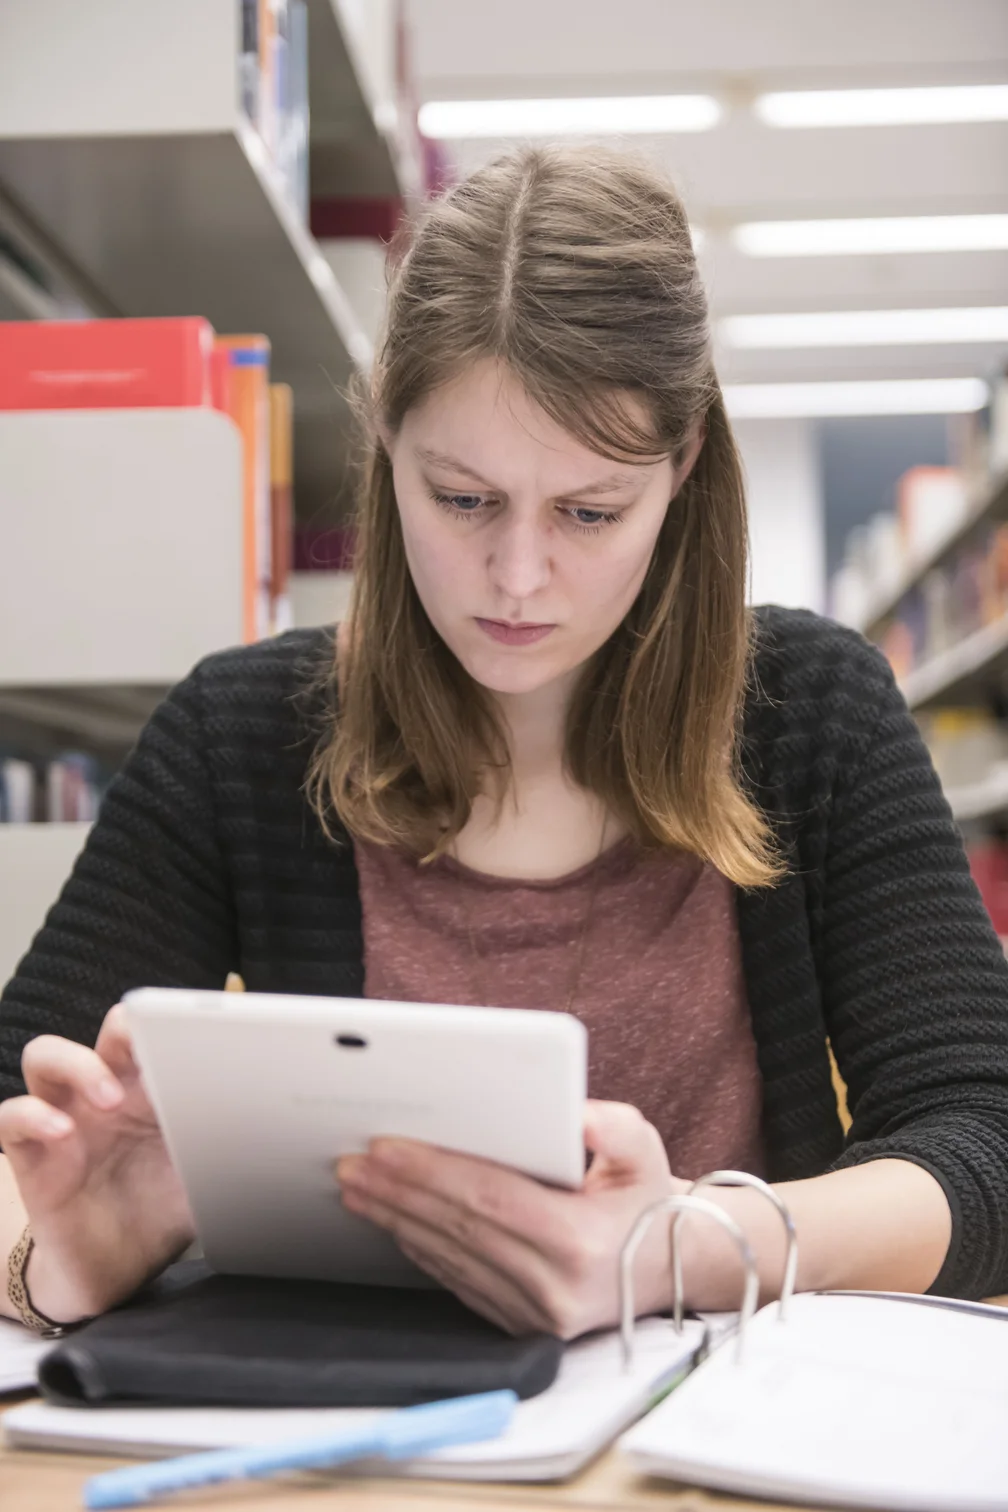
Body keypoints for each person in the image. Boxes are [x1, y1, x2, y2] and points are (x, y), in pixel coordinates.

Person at [2, 144, 1007, 1341]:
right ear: (387, 437)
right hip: (347, 1418)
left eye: (590, 511)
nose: (518, 576)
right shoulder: (239, 736)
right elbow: (24, 1115)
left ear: (683, 466)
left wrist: (671, 1248)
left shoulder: (815, 711)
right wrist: (59, 1260)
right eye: (463, 498)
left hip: (727, 1418)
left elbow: (984, 1142)